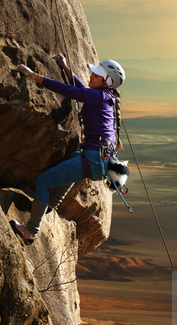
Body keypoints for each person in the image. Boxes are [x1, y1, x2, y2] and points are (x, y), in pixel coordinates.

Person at [11, 54, 125, 245]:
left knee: (43, 181)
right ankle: (50, 205)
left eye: (96, 76)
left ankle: (31, 231)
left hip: (94, 158)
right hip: (99, 160)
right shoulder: (106, 97)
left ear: (106, 82)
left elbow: (68, 90)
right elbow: (80, 88)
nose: (91, 75)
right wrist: (65, 67)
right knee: (73, 157)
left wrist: (35, 76)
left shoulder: (98, 96)